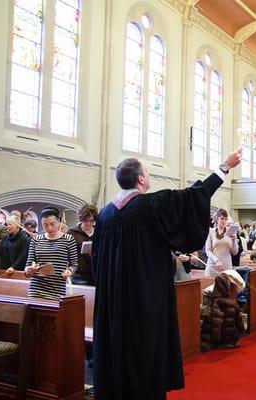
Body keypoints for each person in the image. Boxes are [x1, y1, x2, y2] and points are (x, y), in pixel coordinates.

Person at [92, 149, 241, 399]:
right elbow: (194, 197)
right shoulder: (149, 206)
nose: (148, 176)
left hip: (114, 301)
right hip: (145, 300)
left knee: (118, 349)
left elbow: (97, 261)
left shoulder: (105, 215)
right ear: (140, 179)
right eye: (147, 172)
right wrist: (224, 167)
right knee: (144, 351)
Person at [24, 207, 78, 300]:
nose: (49, 228)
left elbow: (74, 264)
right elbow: (28, 266)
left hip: (58, 290)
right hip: (36, 289)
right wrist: (29, 270)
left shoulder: (69, 239)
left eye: (53, 224)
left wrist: (70, 271)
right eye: (45, 225)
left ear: (59, 221)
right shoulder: (36, 240)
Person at [67, 203, 98, 285]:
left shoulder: (98, 232)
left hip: (96, 273)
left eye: (91, 221)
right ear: (81, 219)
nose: (88, 223)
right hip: (79, 274)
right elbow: (67, 253)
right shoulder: (72, 233)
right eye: (85, 220)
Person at [205, 209, 239, 277]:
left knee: (226, 287)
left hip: (226, 266)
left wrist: (234, 240)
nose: (224, 221)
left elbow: (234, 252)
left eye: (226, 219)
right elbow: (208, 250)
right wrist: (216, 260)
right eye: (222, 219)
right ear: (217, 219)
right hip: (212, 266)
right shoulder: (210, 232)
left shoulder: (231, 232)